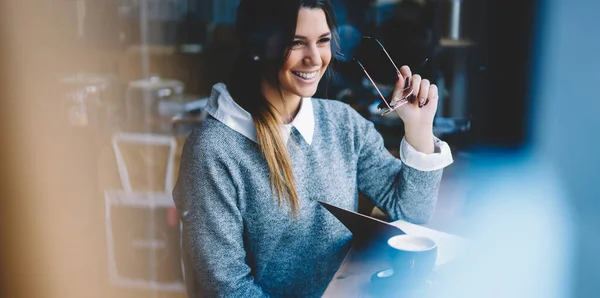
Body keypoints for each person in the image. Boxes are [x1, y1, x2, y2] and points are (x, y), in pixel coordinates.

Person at [173, 0, 453, 296]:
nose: (315, 58)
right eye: (296, 43)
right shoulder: (213, 150)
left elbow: (412, 211)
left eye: (323, 41)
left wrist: (419, 127)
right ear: (257, 46)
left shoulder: (343, 123)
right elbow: (229, 288)